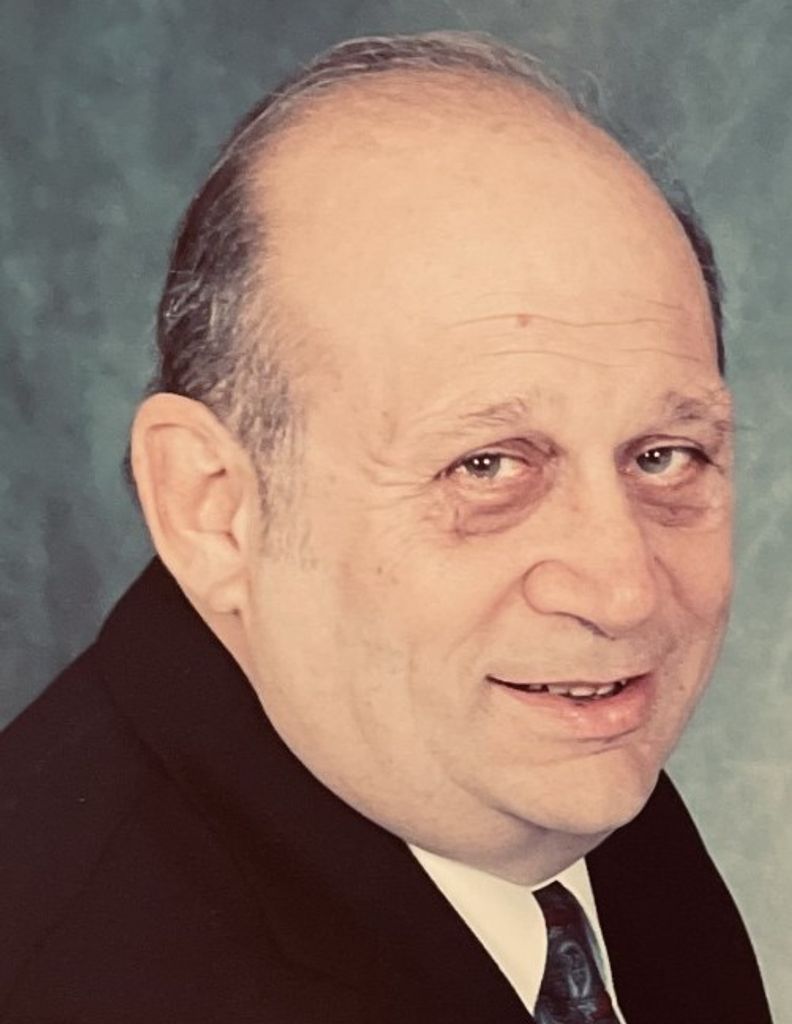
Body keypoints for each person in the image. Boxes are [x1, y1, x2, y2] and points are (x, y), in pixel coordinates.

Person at [0, 31, 772, 1024]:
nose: (623, 590)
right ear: (213, 508)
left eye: (664, 454)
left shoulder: (492, 767)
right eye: (487, 466)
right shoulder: (93, 975)